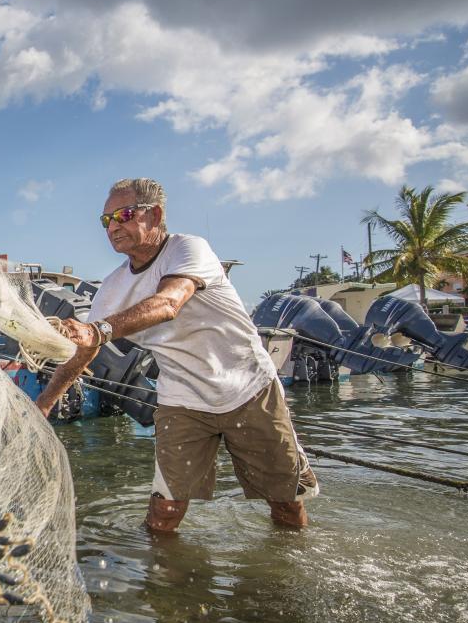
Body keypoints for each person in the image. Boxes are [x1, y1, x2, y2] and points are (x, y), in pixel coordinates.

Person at [36, 178, 318, 531]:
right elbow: (84, 354)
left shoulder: (188, 249)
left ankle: (287, 570)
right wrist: (44, 404)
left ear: (154, 215)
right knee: (164, 513)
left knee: (286, 506)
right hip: (182, 401)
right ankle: (163, 580)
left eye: (123, 215)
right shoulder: (112, 288)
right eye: (105, 220)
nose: (113, 226)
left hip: (248, 389)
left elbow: (169, 302)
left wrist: (98, 330)